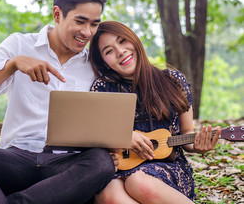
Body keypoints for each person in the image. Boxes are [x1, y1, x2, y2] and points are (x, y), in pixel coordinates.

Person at [0, 0, 118, 204]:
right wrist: (12, 65)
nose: (87, 32)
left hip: (65, 166)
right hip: (16, 158)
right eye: (80, 21)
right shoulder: (19, 45)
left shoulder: (97, 64)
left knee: (101, 162)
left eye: (94, 24)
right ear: (57, 14)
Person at [89, 21, 221, 204]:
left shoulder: (173, 81)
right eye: (108, 51)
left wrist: (199, 146)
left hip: (168, 168)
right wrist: (122, 137)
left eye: (122, 41)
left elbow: (187, 134)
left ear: (135, 41)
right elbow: (93, 133)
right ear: (103, 62)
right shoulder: (102, 89)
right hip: (121, 168)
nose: (120, 52)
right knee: (107, 193)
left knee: (138, 181)